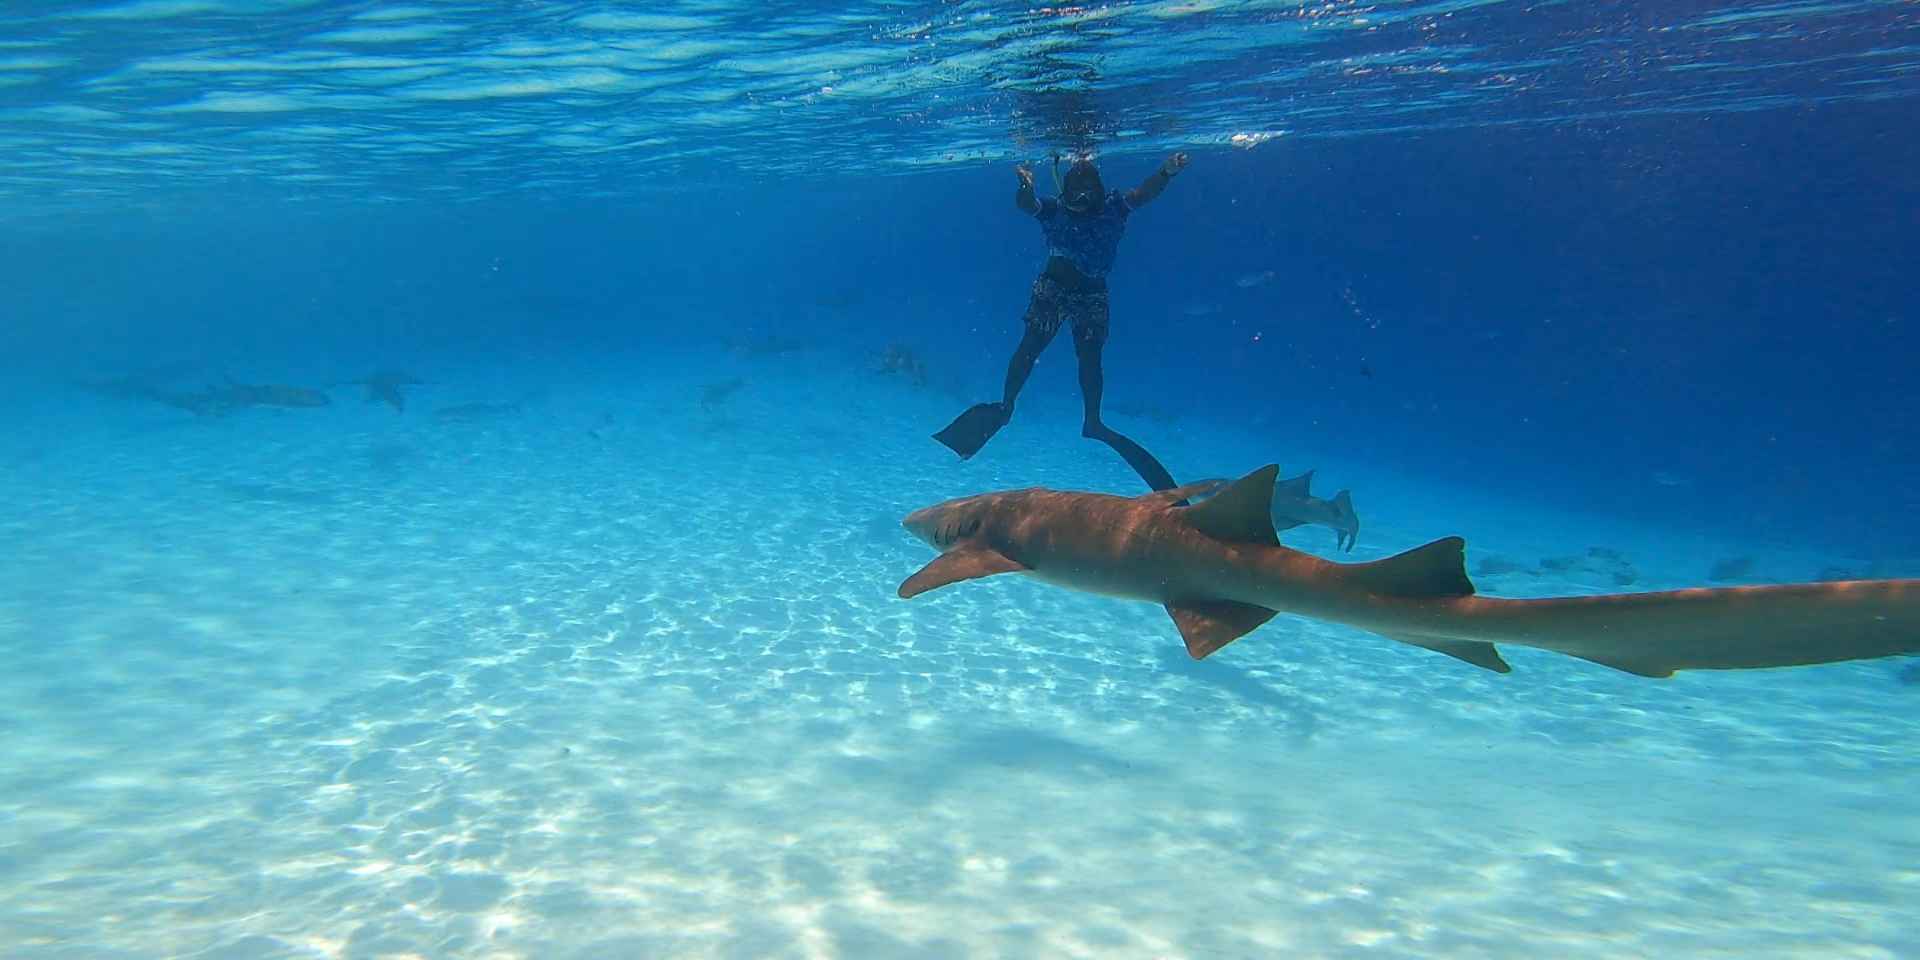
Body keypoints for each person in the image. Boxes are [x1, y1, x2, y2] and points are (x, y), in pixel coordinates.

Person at [933, 150, 1190, 492]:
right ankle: (1006, 405)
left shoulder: (1115, 208)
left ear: (1099, 190)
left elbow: (1144, 193)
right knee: (1030, 346)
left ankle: (1093, 420)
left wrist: (1167, 172)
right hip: (1054, 287)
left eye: (1089, 192)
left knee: (1090, 358)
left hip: (1092, 294)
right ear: (1065, 192)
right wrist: (1025, 186)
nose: (1082, 200)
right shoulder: (1054, 209)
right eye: (1075, 193)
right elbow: (1026, 205)